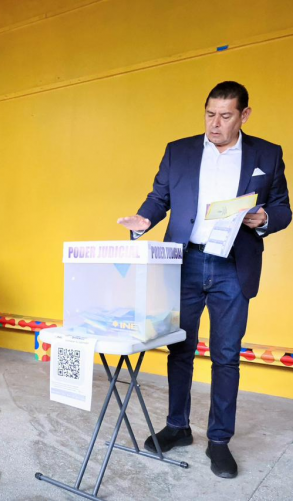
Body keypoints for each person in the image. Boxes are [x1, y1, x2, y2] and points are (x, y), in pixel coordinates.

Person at [118, 81, 291, 478]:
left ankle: (219, 441)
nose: (215, 123)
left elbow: (283, 208)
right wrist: (143, 220)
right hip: (186, 262)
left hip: (234, 264)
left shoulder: (267, 154)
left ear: (244, 115)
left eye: (225, 116)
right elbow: (159, 197)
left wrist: (265, 218)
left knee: (226, 355)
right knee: (179, 348)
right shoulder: (178, 150)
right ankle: (178, 427)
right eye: (210, 114)